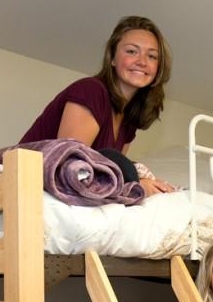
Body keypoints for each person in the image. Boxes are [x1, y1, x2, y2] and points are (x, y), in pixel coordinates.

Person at [20, 15, 175, 197]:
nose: (142, 61)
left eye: (152, 56)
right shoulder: (91, 91)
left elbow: (111, 169)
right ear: (113, 58)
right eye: (132, 51)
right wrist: (137, 183)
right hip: (24, 183)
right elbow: (70, 164)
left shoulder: (129, 119)